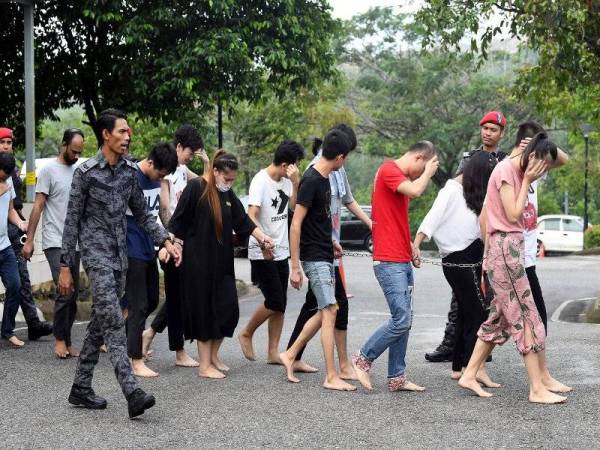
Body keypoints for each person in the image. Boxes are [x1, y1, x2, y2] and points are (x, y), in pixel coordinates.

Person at [60, 109, 181, 418]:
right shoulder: (85, 173)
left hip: (120, 258)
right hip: (96, 256)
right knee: (114, 320)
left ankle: (81, 387)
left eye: (128, 132)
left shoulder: (128, 171)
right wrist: (65, 266)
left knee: (101, 322)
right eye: (122, 131)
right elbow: (72, 222)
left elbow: (142, 214)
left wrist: (165, 239)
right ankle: (132, 392)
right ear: (106, 135)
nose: (128, 137)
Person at [458, 132, 569, 404]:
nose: (541, 170)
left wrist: (534, 166)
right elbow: (513, 213)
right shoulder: (508, 170)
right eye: (539, 164)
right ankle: (536, 388)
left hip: (509, 249)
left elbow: (562, 159)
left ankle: (469, 373)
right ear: (531, 156)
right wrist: (528, 179)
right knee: (527, 316)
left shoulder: (518, 168)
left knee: (500, 319)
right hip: (505, 248)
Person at [168, 149, 274, 379]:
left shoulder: (226, 194)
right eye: (226, 178)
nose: (229, 183)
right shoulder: (196, 188)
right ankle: (204, 365)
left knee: (227, 310)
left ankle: (214, 356)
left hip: (222, 263)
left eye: (232, 180)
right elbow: (177, 223)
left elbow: (243, 221)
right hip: (198, 263)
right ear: (214, 170)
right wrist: (170, 247)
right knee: (204, 312)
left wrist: (262, 237)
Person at [285, 124, 372, 378]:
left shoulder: (326, 176)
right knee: (330, 309)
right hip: (315, 255)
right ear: (340, 156)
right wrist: (294, 266)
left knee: (328, 307)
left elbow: (326, 214)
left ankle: (291, 354)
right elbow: (296, 222)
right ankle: (332, 374)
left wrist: (333, 240)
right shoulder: (313, 178)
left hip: (326, 249)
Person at [352, 141, 439, 392]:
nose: (421, 174)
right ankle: (363, 358)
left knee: (405, 319)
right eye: (423, 167)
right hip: (388, 261)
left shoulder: (397, 176)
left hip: (401, 257)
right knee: (401, 319)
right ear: (420, 158)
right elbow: (415, 192)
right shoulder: (389, 170)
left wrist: (411, 246)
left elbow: (395, 219)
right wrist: (427, 174)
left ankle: (397, 377)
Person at [426, 111, 507, 363]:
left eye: (493, 129)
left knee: (489, 297)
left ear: (501, 133)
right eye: (485, 128)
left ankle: (480, 348)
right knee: (460, 299)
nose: (487, 133)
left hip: (490, 231)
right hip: (467, 233)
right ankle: (453, 344)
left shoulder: (505, 161)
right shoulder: (469, 158)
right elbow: (459, 189)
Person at [414, 151, 498, 386]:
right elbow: (433, 216)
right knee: (479, 314)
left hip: (470, 255)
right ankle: (475, 368)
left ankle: (459, 367)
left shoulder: (470, 192)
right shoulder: (451, 189)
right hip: (458, 260)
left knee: (463, 311)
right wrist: (417, 243)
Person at [142, 124, 208, 367]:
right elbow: (165, 208)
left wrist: (207, 162)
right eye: (190, 153)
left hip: (181, 240)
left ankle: (150, 335)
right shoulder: (168, 170)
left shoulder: (182, 169)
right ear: (179, 147)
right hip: (169, 241)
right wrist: (171, 240)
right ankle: (177, 351)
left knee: (180, 296)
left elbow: (204, 182)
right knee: (177, 296)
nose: (191, 157)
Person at [238, 140, 305, 363]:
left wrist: (295, 183)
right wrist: (262, 240)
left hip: (282, 250)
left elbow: (294, 207)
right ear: (285, 164)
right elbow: (251, 215)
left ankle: (272, 352)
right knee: (274, 300)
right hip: (262, 250)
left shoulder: (287, 181)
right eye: (295, 165)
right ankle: (247, 332)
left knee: (281, 303)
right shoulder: (260, 181)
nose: (297, 169)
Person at [23, 128, 85, 358]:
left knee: (74, 292)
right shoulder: (49, 170)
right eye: (74, 151)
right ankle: (59, 340)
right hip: (53, 240)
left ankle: (67, 340)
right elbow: (38, 206)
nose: (77, 156)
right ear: (64, 145)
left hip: (75, 242)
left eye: (80, 152)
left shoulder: (79, 170)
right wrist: (29, 241)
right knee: (64, 290)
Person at [124, 143, 178, 378]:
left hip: (148, 245)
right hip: (130, 245)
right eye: (161, 174)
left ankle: (126, 345)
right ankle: (134, 359)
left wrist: (169, 239)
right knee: (138, 304)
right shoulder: (131, 177)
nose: (162, 178)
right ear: (151, 162)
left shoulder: (157, 179)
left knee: (153, 298)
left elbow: (158, 213)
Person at [0, 127, 53, 342]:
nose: (6, 146)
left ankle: (22, 325)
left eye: (9, 143)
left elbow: (11, 207)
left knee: (18, 281)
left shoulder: (10, 173)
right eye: (2, 142)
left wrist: (22, 223)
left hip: (8, 237)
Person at [0, 152, 29, 346]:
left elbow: (10, 209)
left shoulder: (8, 182)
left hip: (4, 245)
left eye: (7, 176)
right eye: (2, 176)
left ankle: (8, 330)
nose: (5, 179)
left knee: (16, 286)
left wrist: (20, 223)